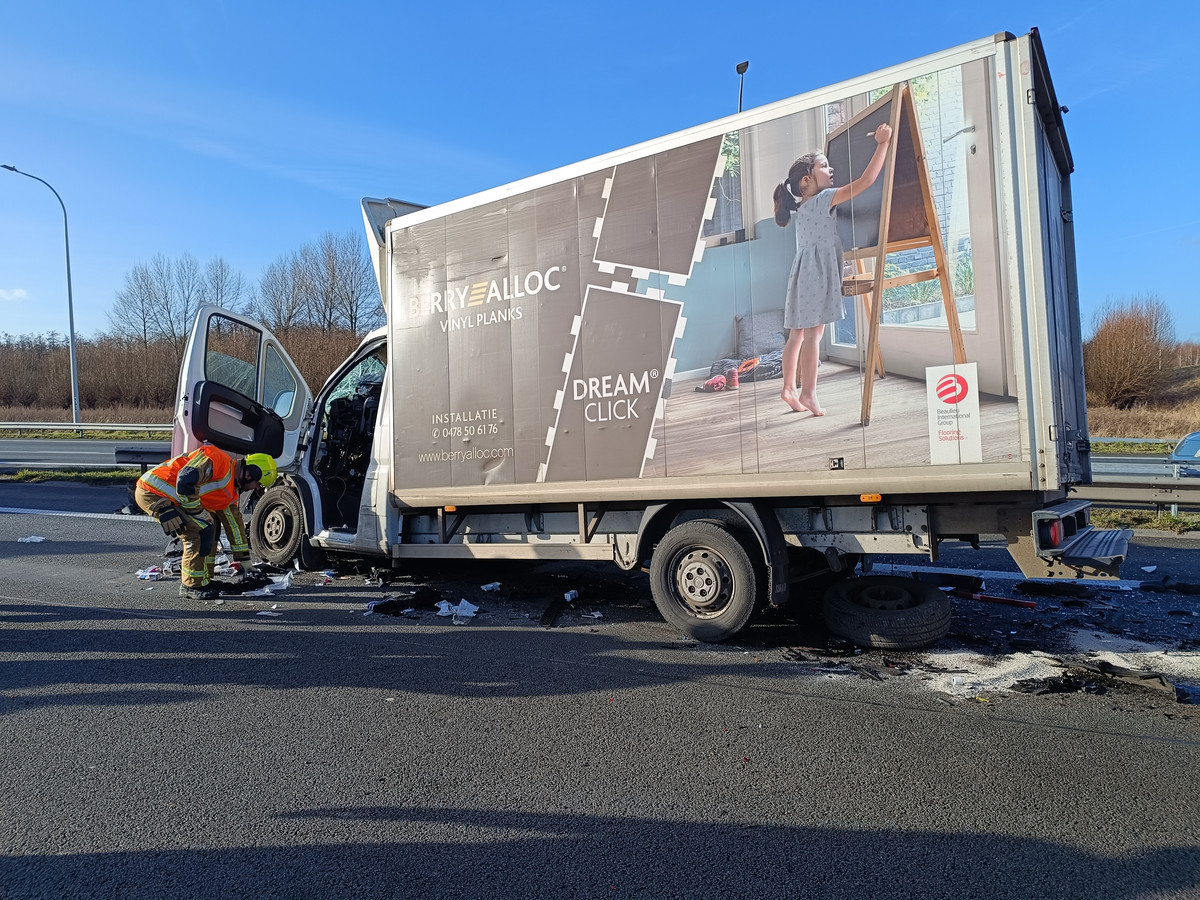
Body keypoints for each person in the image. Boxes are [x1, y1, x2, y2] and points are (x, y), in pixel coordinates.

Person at [773, 122, 893, 416]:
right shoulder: (826, 198)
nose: (831, 170)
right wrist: (882, 144)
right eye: (824, 167)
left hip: (801, 273)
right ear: (806, 180)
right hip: (819, 274)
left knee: (796, 335)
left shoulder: (800, 209)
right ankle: (809, 394)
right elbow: (866, 181)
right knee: (814, 335)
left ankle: (789, 388)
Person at [135, 447, 278, 600]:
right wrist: (197, 513)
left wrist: (245, 563)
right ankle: (191, 586)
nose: (255, 489)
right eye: (257, 484)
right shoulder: (218, 461)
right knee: (197, 531)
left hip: (174, 498)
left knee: (212, 526)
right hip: (153, 492)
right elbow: (185, 480)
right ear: (250, 473)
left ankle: (204, 579)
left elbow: (235, 525)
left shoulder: (230, 491)